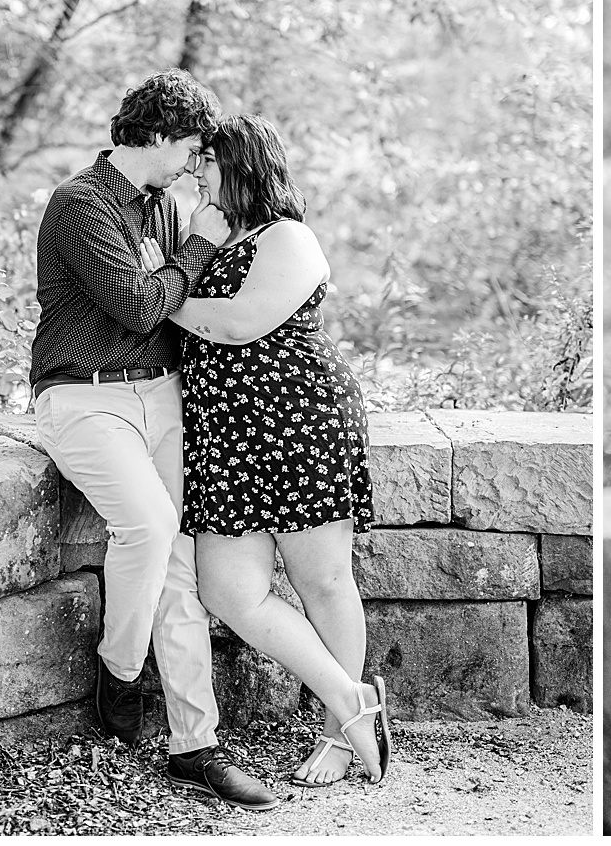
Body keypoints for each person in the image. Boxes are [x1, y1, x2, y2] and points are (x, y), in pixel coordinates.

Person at [31, 70, 278, 810]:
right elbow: (143, 305)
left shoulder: (167, 208)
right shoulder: (80, 203)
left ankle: (195, 745)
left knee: (177, 563)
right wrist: (196, 249)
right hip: (84, 394)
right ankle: (120, 665)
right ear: (161, 137)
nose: (196, 163)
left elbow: (182, 310)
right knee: (146, 522)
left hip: (159, 393)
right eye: (193, 147)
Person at [156, 114, 391, 788]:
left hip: (300, 424)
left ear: (246, 167)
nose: (198, 172)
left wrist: (152, 297)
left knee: (323, 581)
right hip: (229, 439)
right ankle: (353, 699)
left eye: (209, 161)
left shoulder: (289, 237)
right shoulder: (215, 236)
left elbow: (236, 323)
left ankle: (339, 738)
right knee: (227, 589)